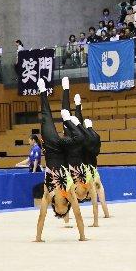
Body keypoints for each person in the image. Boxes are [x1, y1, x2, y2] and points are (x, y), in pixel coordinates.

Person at [35, 78, 87, 242]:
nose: (64, 211)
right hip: (64, 149)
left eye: (61, 212)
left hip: (51, 148)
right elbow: (78, 215)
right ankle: (66, 94)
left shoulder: (47, 195)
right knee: (80, 138)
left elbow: (41, 217)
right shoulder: (70, 194)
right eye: (65, 212)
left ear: (56, 208)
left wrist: (38, 237)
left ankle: (43, 91)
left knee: (46, 117)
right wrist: (82, 236)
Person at [60, 78, 100, 228]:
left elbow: (66, 202)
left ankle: (66, 90)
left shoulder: (70, 184)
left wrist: (66, 221)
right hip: (78, 147)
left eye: (77, 194)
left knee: (65, 115)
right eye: (79, 194)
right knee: (78, 124)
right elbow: (95, 203)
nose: (77, 193)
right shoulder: (88, 181)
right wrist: (95, 222)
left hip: (69, 145)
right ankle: (78, 105)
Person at [73, 92, 110, 220]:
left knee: (72, 193)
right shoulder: (96, 137)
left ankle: (78, 108)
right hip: (94, 171)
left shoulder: (86, 139)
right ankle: (106, 213)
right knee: (100, 193)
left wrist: (77, 124)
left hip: (84, 171)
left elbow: (81, 132)